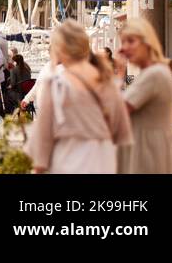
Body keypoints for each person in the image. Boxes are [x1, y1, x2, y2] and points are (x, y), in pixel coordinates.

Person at [25, 21, 131, 174]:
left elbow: (43, 134)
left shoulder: (56, 81)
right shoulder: (105, 79)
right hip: (103, 160)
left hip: (68, 159)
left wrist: (38, 168)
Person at [116, 17, 172, 174]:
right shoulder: (155, 72)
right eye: (123, 42)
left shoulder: (154, 75)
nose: (124, 48)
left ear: (147, 43)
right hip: (152, 148)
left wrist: (117, 75)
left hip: (148, 153)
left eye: (131, 41)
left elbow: (117, 111)